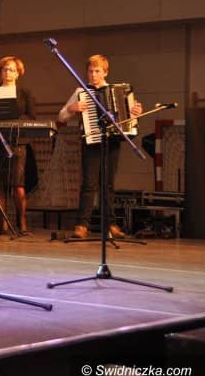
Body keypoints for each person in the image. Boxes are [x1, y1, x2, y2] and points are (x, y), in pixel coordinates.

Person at [58, 54, 142, 239]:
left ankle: (110, 224)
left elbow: (129, 119)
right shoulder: (81, 91)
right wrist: (72, 109)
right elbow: (61, 116)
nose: (93, 75)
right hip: (91, 142)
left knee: (108, 185)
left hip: (111, 142)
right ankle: (82, 225)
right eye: (90, 71)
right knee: (89, 184)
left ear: (105, 72)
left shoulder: (120, 91)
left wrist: (136, 112)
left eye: (97, 71)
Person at [0, 56, 37, 235]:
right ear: (0, 72)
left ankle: (22, 223)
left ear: (18, 73)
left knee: (18, 184)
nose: (8, 73)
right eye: (5, 69)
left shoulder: (24, 92)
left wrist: (13, 119)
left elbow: (31, 116)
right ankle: (3, 224)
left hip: (17, 142)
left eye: (12, 70)